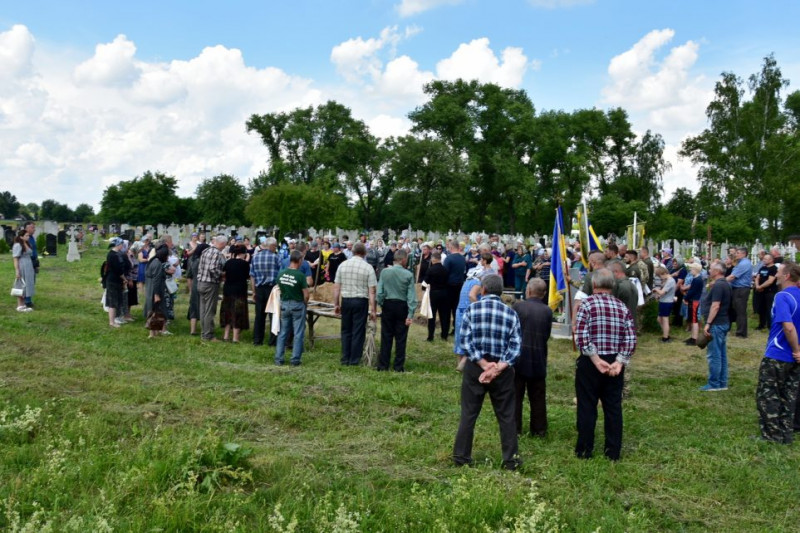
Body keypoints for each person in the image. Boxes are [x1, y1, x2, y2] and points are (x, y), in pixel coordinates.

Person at [453, 274, 522, 470]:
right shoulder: (510, 313)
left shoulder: (472, 310)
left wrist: (484, 365)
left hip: (476, 367)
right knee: (507, 415)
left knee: (469, 413)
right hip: (502, 370)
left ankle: (461, 456)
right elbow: (516, 346)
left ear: (482, 289)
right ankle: (511, 460)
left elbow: (464, 341)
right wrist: (499, 366)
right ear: (501, 292)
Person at [574, 269, 637, 461]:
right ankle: (613, 451)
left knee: (586, 405)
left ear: (594, 285)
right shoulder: (622, 307)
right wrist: (619, 361)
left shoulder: (586, 305)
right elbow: (631, 337)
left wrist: (594, 358)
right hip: (613, 361)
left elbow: (581, 335)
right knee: (613, 407)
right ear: (612, 286)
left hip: (590, 361)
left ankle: (585, 450)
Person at [755, 262, 800, 443]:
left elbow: (788, 326)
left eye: (780, 273)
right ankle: (786, 433)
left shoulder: (782, 296)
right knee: (789, 396)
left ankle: (771, 436)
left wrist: (796, 348)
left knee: (768, 395)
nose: (777, 275)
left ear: (787, 276)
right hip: (796, 358)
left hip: (779, 353)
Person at [512, 278, 552, 437]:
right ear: (543, 294)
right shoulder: (548, 311)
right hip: (538, 357)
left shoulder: (518, 307)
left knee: (515, 395)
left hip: (518, 358)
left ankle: (514, 429)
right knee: (538, 397)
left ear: (528, 291)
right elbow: (546, 335)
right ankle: (539, 429)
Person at [333, 242, 378, 366]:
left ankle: (345, 358)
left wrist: (336, 304)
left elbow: (336, 287)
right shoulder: (368, 267)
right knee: (358, 330)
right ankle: (354, 359)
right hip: (360, 301)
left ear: (352, 252)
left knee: (346, 330)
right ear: (364, 253)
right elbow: (372, 291)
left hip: (346, 300)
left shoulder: (342, 265)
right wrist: (373, 309)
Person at [376, 249, 417, 372]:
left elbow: (380, 292)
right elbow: (411, 297)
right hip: (402, 306)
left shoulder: (384, 272)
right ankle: (398, 366)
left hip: (388, 304)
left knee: (386, 335)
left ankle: (383, 365)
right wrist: (410, 314)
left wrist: (382, 303)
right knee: (401, 337)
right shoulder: (408, 275)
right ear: (404, 259)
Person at [699, 262, 732, 391]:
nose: (709, 271)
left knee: (714, 355)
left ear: (717, 271)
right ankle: (722, 382)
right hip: (723, 322)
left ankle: (714, 383)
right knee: (721, 354)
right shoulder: (725, 284)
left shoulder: (719, 285)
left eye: (711, 269)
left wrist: (708, 323)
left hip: (716, 324)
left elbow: (715, 305)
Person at [275, 250, 310, 366]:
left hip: (284, 304)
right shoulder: (300, 275)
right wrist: (305, 302)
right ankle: (295, 359)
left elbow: (279, 287)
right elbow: (306, 294)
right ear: (299, 261)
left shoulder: (281, 273)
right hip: (297, 305)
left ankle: (279, 358)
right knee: (298, 333)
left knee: (283, 332)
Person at [196, 235, 228, 342]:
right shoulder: (216, 253)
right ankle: (208, 335)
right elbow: (212, 268)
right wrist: (222, 274)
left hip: (201, 282)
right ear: (222, 244)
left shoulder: (206, 250)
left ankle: (204, 332)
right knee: (210, 310)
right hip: (210, 283)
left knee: (203, 310)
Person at [250, 236, 281, 346]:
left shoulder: (255, 257)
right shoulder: (276, 257)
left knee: (259, 316)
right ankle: (272, 341)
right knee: (273, 315)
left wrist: (254, 291)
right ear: (271, 246)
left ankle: (257, 340)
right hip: (272, 289)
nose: (276, 248)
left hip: (259, 289)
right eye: (275, 246)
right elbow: (280, 274)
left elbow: (252, 276)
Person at [220, 245, 250, 343]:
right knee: (238, 313)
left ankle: (226, 335)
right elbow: (247, 276)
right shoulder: (245, 264)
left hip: (228, 290)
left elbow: (224, 275)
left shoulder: (228, 262)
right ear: (243, 253)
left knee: (227, 313)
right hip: (240, 291)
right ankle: (235, 338)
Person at [144, 244, 172, 338]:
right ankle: (152, 333)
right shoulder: (158, 264)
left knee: (156, 310)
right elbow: (156, 280)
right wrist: (156, 294)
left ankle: (155, 331)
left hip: (150, 288)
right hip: (155, 290)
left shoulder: (153, 261)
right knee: (155, 311)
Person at [726, 246, 753, 338]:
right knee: (738, 310)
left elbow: (732, 276)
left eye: (737, 253)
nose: (735, 255)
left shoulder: (744, 264)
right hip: (737, 288)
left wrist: (720, 281)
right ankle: (740, 330)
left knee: (740, 311)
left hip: (741, 289)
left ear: (744, 254)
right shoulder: (740, 263)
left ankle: (741, 333)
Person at [424, 251, 450, 342]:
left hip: (434, 293)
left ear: (433, 259)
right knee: (444, 315)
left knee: (432, 315)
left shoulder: (430, 270)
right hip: (444, 293)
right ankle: (444, 335)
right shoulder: (445, 269)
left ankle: (430, 336)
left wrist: (425, 289)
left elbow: (424, 283)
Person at [186, 241, 209, 335]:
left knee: (194, 307)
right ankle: (205, 329)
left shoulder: (192, 260)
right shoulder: (205, 261)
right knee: (205, 307)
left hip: (195, 284)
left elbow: (189, 276)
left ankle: (193, 329)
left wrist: (190, 289)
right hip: (205, 284)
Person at [444, 241, 467, 331]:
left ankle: (445, 329)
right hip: (460, 284)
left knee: (447, 309)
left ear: (452, 247)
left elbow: (445, 272)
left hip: (449, 285)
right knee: (456, 307)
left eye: (449, 247)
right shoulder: (462, 258)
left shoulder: (449, 258)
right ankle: (456, 327)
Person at [105, 237, 127, 328]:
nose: (123, 246)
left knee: (116, 300)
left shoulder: (116, 254)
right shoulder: (113, 255)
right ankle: (111, 322)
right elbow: (117, 269)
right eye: (122, 244)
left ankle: (115, 319)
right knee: (112, 302)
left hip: (116, 280)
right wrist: (124, 278)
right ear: (118, 244)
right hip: (113, 280)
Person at [11, 229, 35, 312]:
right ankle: (19, 305)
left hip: (28, 265)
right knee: (21, 285)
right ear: (21, 237)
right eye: (26, 236)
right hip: (22, 265)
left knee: (27, 284)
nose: (28, 237)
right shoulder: (18, 245)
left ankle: (24, 304)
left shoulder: (27, 243)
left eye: (28, 235)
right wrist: (17, 270)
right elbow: (15, 258)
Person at [754, 252, 778, 331]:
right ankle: (761, 324)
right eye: (764, 259)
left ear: (771, 260)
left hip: (770, 292)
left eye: (766, 259)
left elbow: (770, 281)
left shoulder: (774, 269)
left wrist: (760, 286)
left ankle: (770, 326)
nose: (764, 260)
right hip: (761, 291)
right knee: (761, 308)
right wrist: (757, 286)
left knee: (769, 309)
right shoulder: (762, 268)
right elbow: (757, 277)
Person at [652, 266, 676, 342]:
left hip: (666, 302)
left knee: (665, 320)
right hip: (663, 301)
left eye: (660, 276)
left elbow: (662, 292)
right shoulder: (667, 280)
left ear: (664, 273)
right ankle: (666, 333)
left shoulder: (670, 281)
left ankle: (665, 338)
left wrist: (656, 289)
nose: (660, 278)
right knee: (659, 319)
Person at [683, 262, 705, 345]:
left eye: (691, 269)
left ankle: (694, 338)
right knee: (692, 320)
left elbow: (692, 291)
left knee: (694, 320)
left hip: (694, 301)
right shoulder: (696, 278)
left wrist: (686, 298)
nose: (690, 270)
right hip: (693, 300)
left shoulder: (697, 280)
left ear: (696, 270)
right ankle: (692, 337)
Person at [23, 221, 38, 308]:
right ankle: (26, 301)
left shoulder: (32, 237)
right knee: (27, 281)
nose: (34, 229)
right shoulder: (24, 238)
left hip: (33, 262)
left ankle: (28, 299)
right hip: (27, 262)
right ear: (26, 228)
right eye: (32, 227)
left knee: (32, 281)